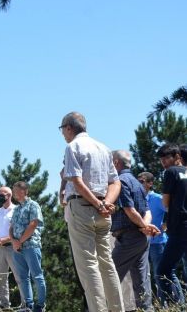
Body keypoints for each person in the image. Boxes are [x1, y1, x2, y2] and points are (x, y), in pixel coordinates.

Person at [60, 111, 123, 312]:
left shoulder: (73, 147)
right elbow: (115, 182)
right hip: (103, 211)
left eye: (62, 130)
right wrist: (106, 203)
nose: (63, 134)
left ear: (69, 128)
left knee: (88, 265)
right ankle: (118, 309)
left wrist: (98, 203)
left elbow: (76, 181)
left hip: (82, 208)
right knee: (107, 263)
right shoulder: (104, 148)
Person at [109, 150, 158, 311]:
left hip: (128, 238)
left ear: (116, 163)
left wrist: (144, 227)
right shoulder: (137, 183)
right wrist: (145, 227)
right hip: (141, 238)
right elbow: (147, 211)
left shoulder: (121, 181)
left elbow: (129, 210)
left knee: (110, 276)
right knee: (141, 281)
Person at [137, 171, 184, 305]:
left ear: (150, 183)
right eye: (137, 181)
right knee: (148, 276)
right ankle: (163, 305)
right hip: (142, 243)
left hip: (158, 243)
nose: (139, 184)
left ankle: (178, 304)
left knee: (164, 274)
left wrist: (165, 225)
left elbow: (174, 211)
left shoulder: (157, 198)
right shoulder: (138, 198)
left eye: (142, 181)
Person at [155, 143, 187, 305]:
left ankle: (175, 306)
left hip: (180, 227)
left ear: (177, 157)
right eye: (162, 160)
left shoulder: (171, 172)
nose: (164, 163)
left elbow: (165, 202)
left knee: (163, 270)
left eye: (167, 158)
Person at [9, 181, 46, 312]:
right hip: (17, 248)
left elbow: (33, 224)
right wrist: (14, 241)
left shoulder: (33, 205)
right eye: (13, 190)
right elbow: (11, 227)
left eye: (16, 190)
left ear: (25, 191)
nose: (14, 193)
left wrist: (20, 241)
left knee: (37, 276)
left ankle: (40, 305)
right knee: (23, 277)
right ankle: (29, 305)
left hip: (31, 246)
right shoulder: (16, 209)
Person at [0, 186, 23, 310]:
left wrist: (5, 239)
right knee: (1, 277)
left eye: (1, 194)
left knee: (19, 276)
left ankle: (26, 304)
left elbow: (19, 231)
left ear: (9, 195)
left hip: (13, 247)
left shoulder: (17, 210)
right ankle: (5, 305)